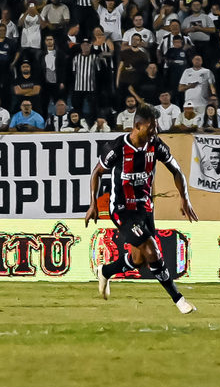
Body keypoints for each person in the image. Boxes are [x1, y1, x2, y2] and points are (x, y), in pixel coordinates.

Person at [84, 103, 198, 314]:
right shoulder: (118, 147)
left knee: (138, 260)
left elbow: (176, 170)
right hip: (121, 209)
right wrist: (93, 203)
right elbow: (96, 173)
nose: (155, 132)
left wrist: (185, 198)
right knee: (151, 248)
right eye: (152, 128)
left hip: (144, 208)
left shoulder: (155, 144)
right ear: (137, 125)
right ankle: (179, 300)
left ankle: (105, 271)